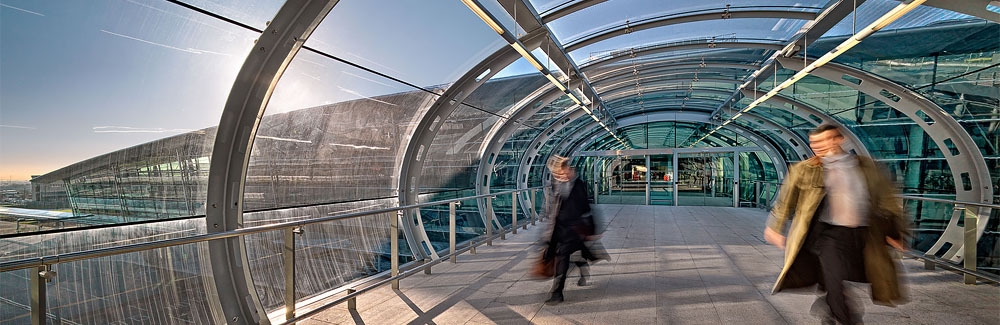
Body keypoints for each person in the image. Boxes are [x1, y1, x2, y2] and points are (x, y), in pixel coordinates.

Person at [763, 124, 909, 324]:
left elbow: (887, 200)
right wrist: (774, 227)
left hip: (863, 234)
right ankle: (846, 317)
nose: (818, 146)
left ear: (839, 139)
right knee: (835, 280)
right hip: (828, 234)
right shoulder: (804, 169)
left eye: (824, 140)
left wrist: (896, 232)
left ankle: (829, 306)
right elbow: (785, 202)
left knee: (852, 276)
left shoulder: (866, 167)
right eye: (814, 142)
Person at [541, 155, 596, 305]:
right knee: (575, 254)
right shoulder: (553, 183)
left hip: (573, 230)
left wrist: (591, 230)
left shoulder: (578, 184)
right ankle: (584, 269)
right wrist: (546, 231)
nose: (559, 176)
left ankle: (557, 293)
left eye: (560, 172)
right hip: (557, 230)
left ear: (567, 168)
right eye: (555, 174)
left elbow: (587, 208)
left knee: (562, 259)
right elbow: (550, 208)